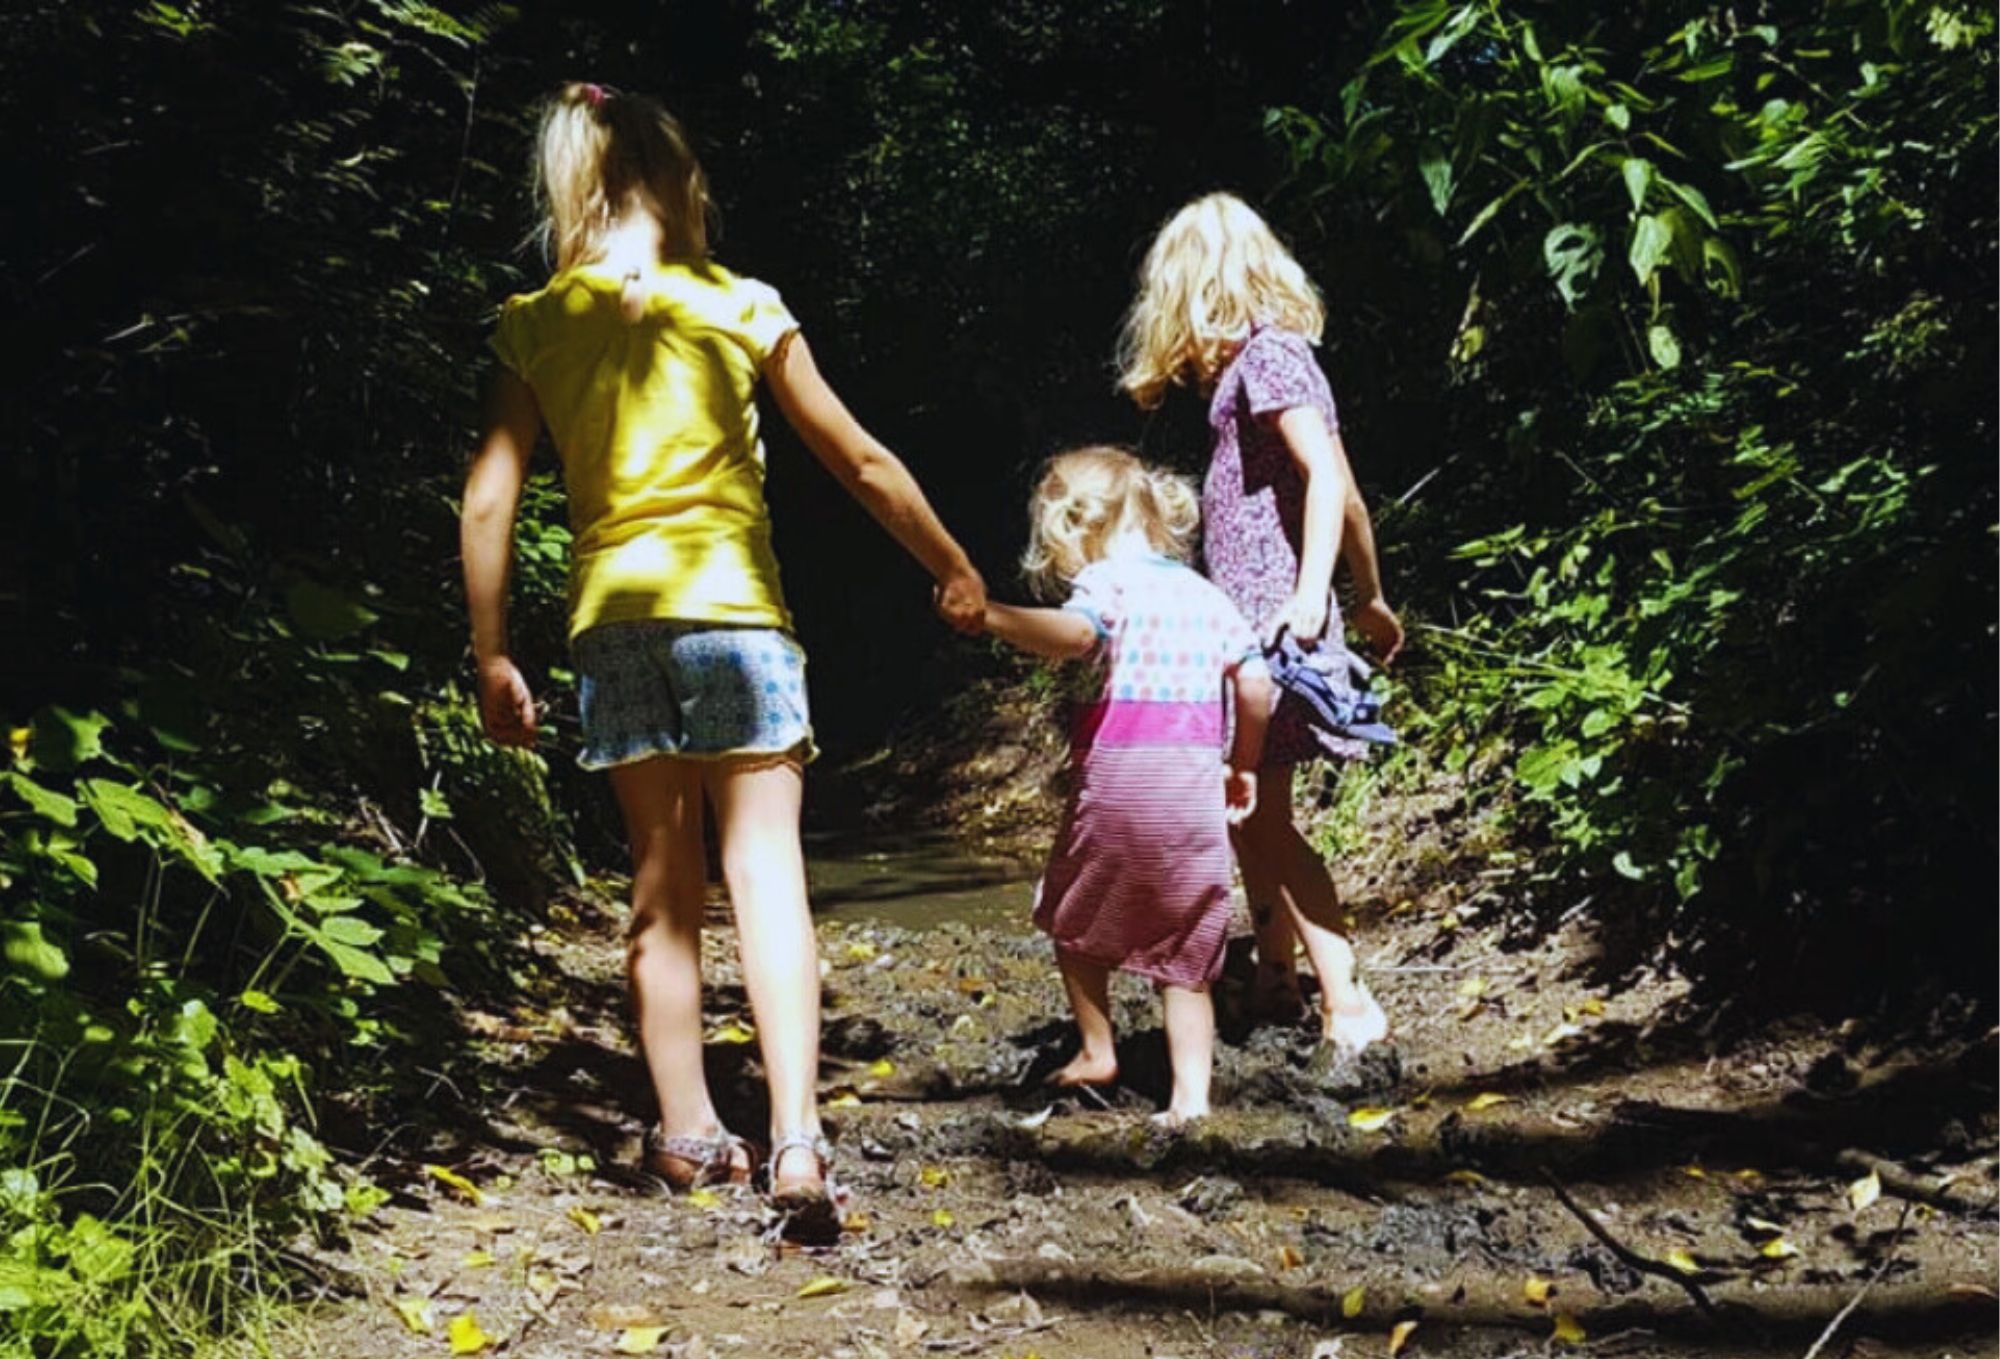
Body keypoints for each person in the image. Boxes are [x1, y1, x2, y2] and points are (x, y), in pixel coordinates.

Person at [458, 83, 985, 1231]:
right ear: (680, 184)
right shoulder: (741, 304)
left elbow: (490, 498)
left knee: (662, 879)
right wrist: (949, 564)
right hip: (738, 615)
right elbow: (857, 458)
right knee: (765, 874)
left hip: (616, 621)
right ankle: (797, 1135)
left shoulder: (536, 322)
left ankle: (690, 1131)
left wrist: (492, 650)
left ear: (570, 192)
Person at [1117, 191, 1405, 1061]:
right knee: (1254, 804)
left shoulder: (1270, 360)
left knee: (1256, 813)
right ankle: (1275, 973)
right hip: (1275, 618)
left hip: (1277, 623)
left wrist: (1317, 595)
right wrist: (1373, 594)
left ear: (1195, 290)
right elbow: (1347, 490)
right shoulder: (1271, 366)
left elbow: (1324, 477)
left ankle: (1346, 999)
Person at [981, 447, 1271, 1125]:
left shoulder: (1108, 584)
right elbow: (1256, 683)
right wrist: (1246, 763)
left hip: (1118, 783)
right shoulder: (1207, 594)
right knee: (1190, 950)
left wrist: (994, 616)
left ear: (1075, 526)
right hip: (1194, 790)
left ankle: (1096, 1048)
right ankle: (1191, 1100)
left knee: (1073, 916)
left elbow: (1077, 637)